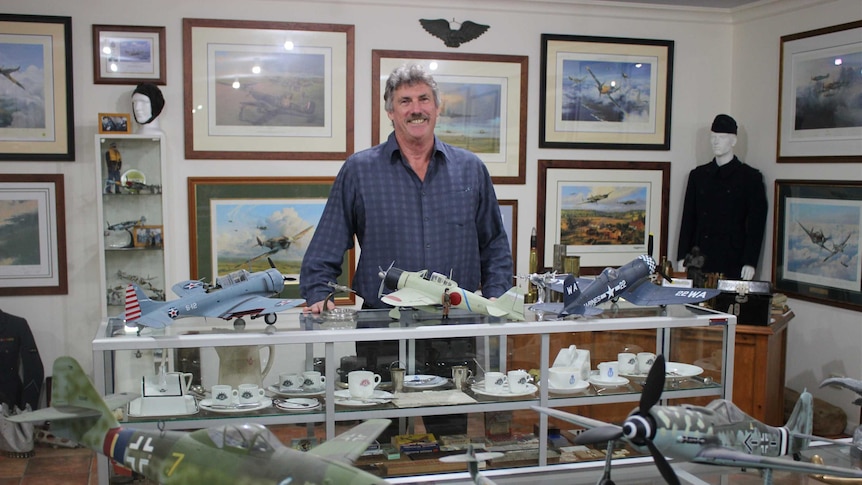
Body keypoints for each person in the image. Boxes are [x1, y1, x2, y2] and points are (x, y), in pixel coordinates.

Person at [300, 63, 513, 437]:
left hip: (454, 325)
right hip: (381, 327)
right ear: (390, 112)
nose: (416, 108)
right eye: (405, 101)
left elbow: (494, 243)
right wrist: (318, 290)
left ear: (437, 107)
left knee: (449, 434)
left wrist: (496, 298)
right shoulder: (359, 170)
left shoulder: (471, 169)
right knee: (380, 433)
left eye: (424, 99)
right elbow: (330, 236)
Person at [677, 114, 767, 281]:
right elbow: (688, 219)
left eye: (722, 137)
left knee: (727, 304)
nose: (716, 141)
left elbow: (756, 225)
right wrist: (682, 256)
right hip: (699, 258)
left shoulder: (750, 178)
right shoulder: (698, 176)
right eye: (713, 137)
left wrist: (750, 261)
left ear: (733, 141)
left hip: (732, 258)